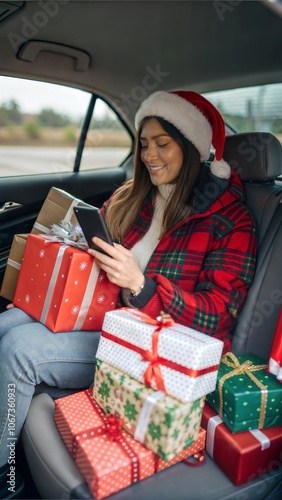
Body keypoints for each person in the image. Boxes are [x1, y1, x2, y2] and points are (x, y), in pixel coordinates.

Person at [0, 90, 257, 498]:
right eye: (143, 144)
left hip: (152, 346)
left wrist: (141, 285)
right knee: (8, 321)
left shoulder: (230, 219)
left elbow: (218, 314)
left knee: (18, 348)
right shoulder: (131, 195)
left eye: (162, 144)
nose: (149, 155)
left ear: (191, 148)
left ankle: (5, 478)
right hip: (104, 318)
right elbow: (93, 253)